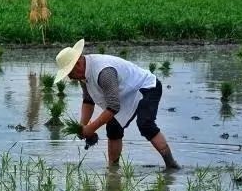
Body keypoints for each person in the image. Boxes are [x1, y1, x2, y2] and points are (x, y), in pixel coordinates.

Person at [54, 39, 180, 169]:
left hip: (146, 86)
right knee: (113, 127)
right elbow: (88, 100)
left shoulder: (104, 72)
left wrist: (91, 129)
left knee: (145, 124)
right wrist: (82, 126)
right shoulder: (83, 75)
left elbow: (113, 106)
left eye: (70, 73)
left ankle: (171, 165)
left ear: (78, 64)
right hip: (124, 94)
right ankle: (113, 170)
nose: (70, 77)